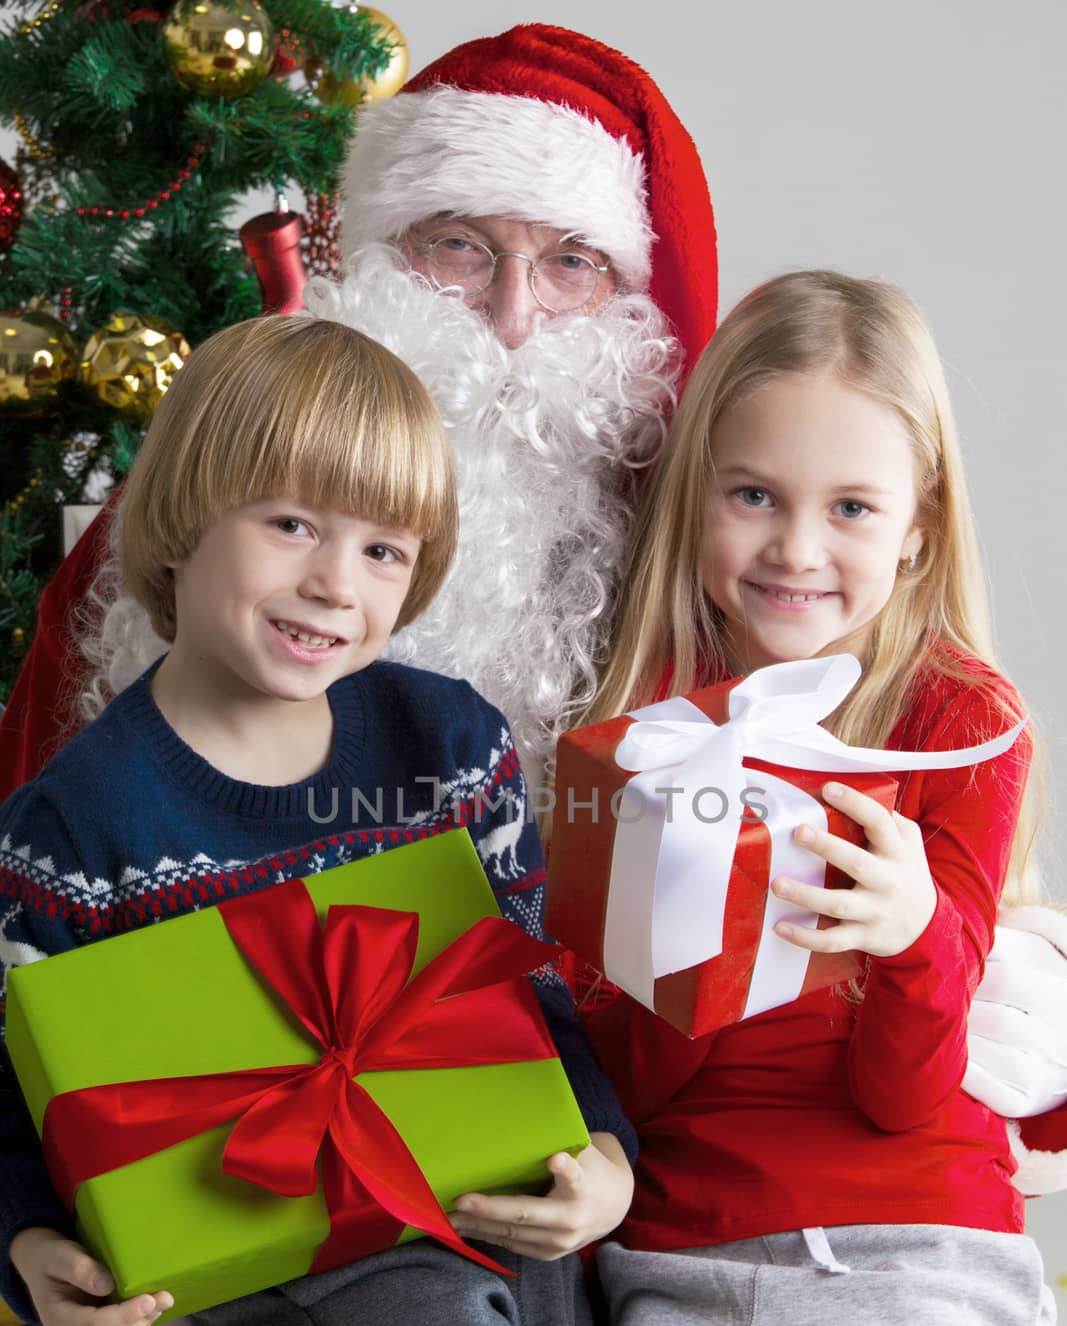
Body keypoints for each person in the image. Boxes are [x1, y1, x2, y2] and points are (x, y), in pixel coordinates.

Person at [0, 314, 657, 1326]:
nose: (333, 583)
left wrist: (604, 1154)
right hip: (301, 1243)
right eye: (290, 524)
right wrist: (28, 1245)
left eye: (381, 548)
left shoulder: (443, 738)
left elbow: (529, 989)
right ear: (185, 514)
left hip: (485, 1177)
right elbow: (21, 1084)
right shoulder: (78, 821)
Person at [516, 268, 1057, 1326]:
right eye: (752, 494)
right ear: (695, 493)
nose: (795, 550)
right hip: (687, 1266)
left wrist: (915, 931)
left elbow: (901, 1089)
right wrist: (670, 934)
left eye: (850, 509)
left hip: (908, 1259)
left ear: (917, 531)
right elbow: (642, 1092)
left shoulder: (953, 721)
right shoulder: (637, 727)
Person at [0, 23, 717, 792]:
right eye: (460, 247)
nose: (509, 319)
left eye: (570, 264)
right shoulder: (198, 489)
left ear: (626, 298)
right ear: (382, 255)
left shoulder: (681, 548)